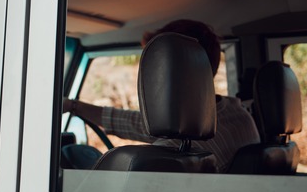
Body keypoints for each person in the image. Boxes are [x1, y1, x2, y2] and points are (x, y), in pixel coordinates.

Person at [64, 19, 260, 173]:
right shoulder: (238, 115)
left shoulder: (172, 156)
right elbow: (136, 122)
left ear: (169, 72)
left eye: (154, 65)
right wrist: (75, 106)